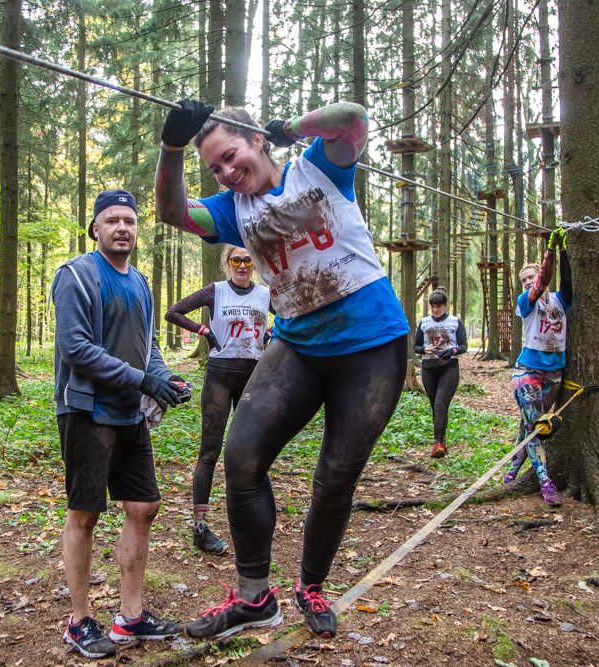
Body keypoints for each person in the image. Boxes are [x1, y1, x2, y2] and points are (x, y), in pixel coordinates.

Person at [154, 101, 408, 640]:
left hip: (370, 344)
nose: (225, 173)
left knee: (335, 479)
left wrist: (292, 128)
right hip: (297, 342)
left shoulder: (319, 166)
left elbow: (354, 118)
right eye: (215, 169)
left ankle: (312, 585)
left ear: (255, 140)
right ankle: (254, 598)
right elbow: (173, 212)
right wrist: (172, 149)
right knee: (242, 458)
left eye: (229, 156)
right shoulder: (230, 208)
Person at [51, 189, 188, 658]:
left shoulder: (143, 283)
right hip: (88, 412)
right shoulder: (76, 276)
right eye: (112, 220)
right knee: (85, 515)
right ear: (95, 228)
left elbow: (148, 345)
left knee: (144, 506)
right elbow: (76, 348)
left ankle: (130, 618)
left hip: (132, 413)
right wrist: (142, 381)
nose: (122, 228)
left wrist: (164, 378)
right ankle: (78, 621)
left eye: (129, 221)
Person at [164, 244, 272, 554]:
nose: (242, 265)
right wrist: (205, 332)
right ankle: (200, 528)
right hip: (220, 377)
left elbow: (290, 321)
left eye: (248, 260)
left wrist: (269, 336)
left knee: (249, 453)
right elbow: (174, 311)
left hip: (252, 377)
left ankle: (247, 523)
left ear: (255, 263)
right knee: (209, 452)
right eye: (236, 260)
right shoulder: (217, 290)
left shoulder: (265, 295)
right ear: (227, 263)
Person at [502, 229, 571, 507]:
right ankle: (545, 482)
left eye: (531, 276)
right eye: (524, 280)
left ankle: (510, 473)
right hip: (527, 372)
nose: (529, 281)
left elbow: (565, 282)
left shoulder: (560, 301)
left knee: (528, 425)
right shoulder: (525, 303)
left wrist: (563, 251)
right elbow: (543, 281)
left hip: (554, 373)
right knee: (535, 427)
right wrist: (550, 251)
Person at [413, 287, 467, 459]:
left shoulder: (454, 322)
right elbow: (415, 346)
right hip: (428, 368)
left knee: (441, 404)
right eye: (432, 307)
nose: (435, 310)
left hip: (448, 367)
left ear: (446, 305)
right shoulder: (424, 322)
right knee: (434, 405)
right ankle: (441, 437)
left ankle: (438, 443)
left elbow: (463, 346)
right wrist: (424, 349)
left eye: (439, 306)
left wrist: (452, 351)